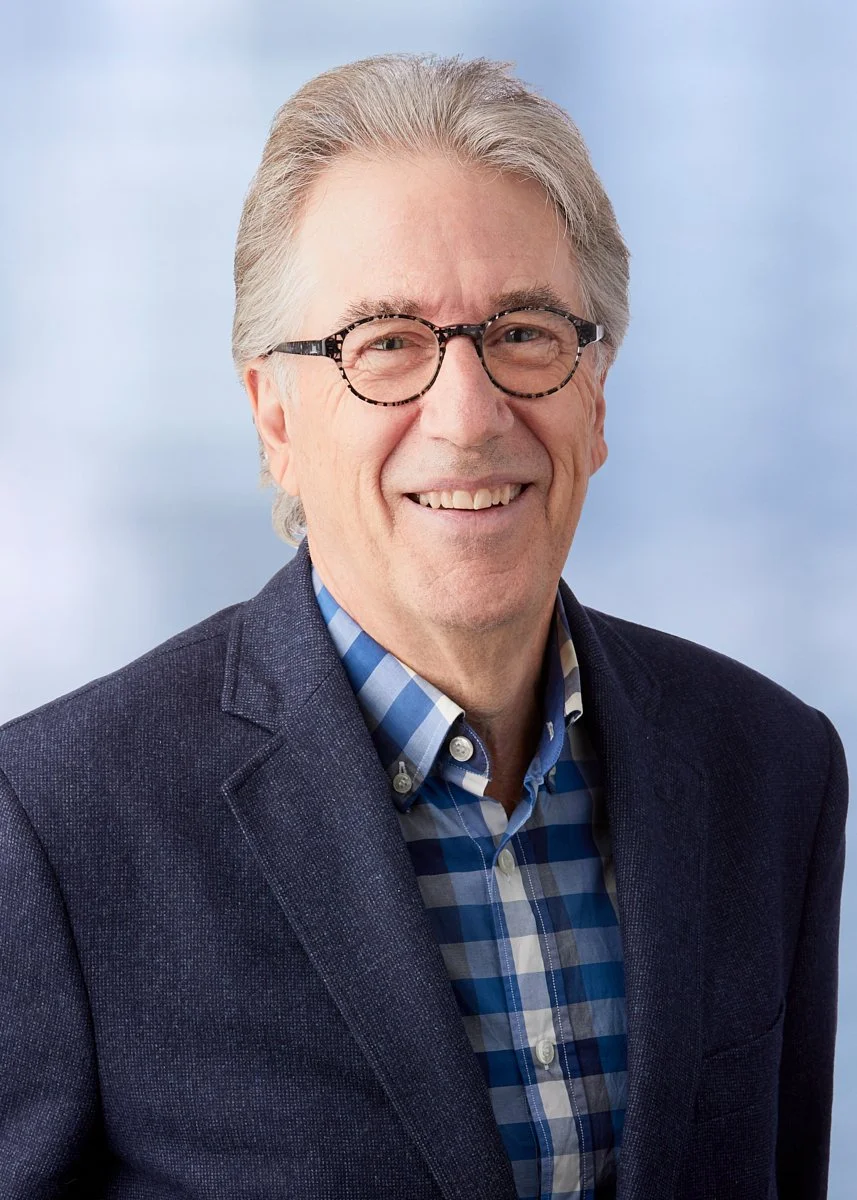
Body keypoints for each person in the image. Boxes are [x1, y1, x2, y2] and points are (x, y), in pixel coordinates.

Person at [0, 53, 847, 1200]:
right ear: (274, 418)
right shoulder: (56, 829)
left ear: (595, 393)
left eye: (524, 332)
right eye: (385, 342)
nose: (467, 415)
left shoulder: (770, 769)